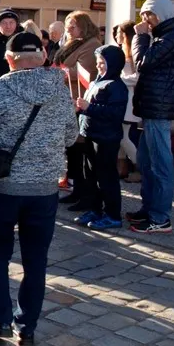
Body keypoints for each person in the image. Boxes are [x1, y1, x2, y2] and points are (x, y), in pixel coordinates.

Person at [0, 32, 78, 346]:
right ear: (42, 57)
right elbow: (71, 136)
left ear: (9, 59)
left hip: (3, 188)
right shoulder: (60, 91)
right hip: (44, 190)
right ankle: (27, 326)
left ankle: (1, 320)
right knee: (36, 259)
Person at [126, 0, 174, 233]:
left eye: (148, 14)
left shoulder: (173, 36)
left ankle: (160, 218)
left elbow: (143, 62)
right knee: (146, 163)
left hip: (160, 108)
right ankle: (149, 209)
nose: (145, 19)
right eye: (143, 15)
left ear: (161, 13)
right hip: (151, 107)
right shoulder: (164, 35)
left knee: (160, 165)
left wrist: (140, 37)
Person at [73, 45, 129, 231]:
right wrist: (81, 108)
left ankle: (112, 215)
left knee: (106, 178)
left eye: (102, 63)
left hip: (106, 138)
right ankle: (95, 209)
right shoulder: (97, 82)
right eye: (98, 62)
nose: (98, 66)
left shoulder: (116, 86)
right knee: (91, 176)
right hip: (91, 134)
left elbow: (114, 114)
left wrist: (89, 107)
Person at [54, 11, 102, 212]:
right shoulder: (72, 43)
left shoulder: (92, 44)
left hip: (80, 101)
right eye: (67, 27)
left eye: (72, 27)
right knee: (72, 149)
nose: (69, 30)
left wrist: (59, 71)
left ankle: (85, 194)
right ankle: (76, 189)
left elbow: (85, 72)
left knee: (81, 150)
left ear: (84, 26)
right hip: (67, 101)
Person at [116, 20, 142, 183]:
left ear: (126, 35)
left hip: (129, 101)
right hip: (122, 99)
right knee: (121, 136)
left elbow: (138, 77)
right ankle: (122, 168)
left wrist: (119, 79)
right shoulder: (122, 52)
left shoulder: (133, 54)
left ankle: (140, 168)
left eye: (119, 32)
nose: (116, 35)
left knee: (124, 137)